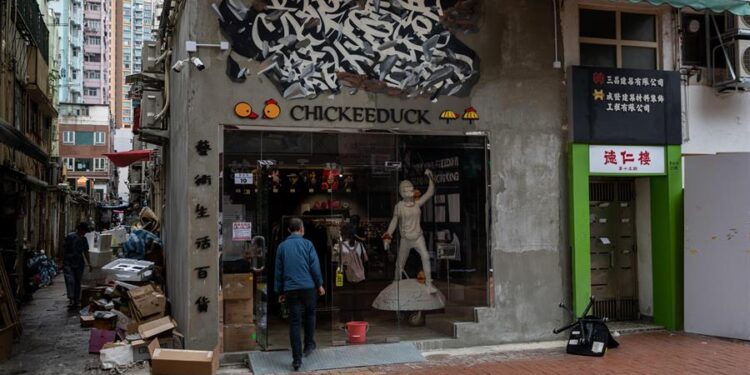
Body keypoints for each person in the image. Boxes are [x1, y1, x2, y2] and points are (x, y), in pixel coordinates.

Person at [274, 218, 325, 371]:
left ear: (289, 230)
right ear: (302, 229)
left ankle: (297, 359)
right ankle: (309, 345)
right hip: (308, 287)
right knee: (310, 314)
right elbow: (314, 266)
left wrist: (280, 291)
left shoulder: (282, 247)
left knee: (294, 322)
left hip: (291, 289)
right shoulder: (308, 244)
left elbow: (278, 271)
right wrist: (319, 284)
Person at [383, 169, 437, 293]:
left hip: (418, 237)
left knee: (426, 257)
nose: (410, 191)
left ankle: (429, 284)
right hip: (405, 238)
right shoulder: (399, 206)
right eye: (406, 189)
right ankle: (395, 282)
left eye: (411, 188)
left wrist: (430, 178)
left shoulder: (417, 203)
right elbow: (394, 222)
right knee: (400, 263)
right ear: (402, 192)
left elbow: (429, 193)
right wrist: (388, 236)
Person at [339, 223, 368, 323]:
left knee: (346, 299)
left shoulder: (340, 246)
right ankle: (359, 320)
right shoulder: (359, 245)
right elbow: (365, 260)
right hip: (359, 276)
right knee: (359, 299)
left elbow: (337, 263)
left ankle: (346, 321)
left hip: (346, 277)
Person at [63, 222, 93, 308]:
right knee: (70, 281)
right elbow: (65, 249)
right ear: (80, 230)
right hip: (69, 262)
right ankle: (71, 299)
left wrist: (89, 263)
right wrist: (64, 261)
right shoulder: (70, 237)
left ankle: (76, 300)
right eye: (84, 231)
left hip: (79, 263)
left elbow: (86, 251)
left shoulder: (84, 239)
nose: (85, 233)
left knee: (77, 282)